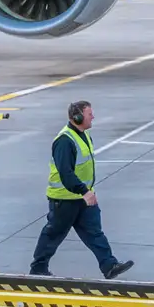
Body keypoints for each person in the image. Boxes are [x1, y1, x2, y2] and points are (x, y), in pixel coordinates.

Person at [29, 100, 134, 279]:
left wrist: (88, 192)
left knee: (94, 232)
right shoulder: (64, 141)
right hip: (64, 199)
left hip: (83, 197)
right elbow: (66, 172)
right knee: (53, 234)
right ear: (77, 117)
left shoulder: (83, 135)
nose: (93, 117)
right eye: (89, 114)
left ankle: (109, 265)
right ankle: (38, 268)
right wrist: (84, 191)